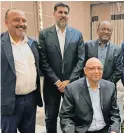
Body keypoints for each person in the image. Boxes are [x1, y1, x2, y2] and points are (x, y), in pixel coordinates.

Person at [37, 2, 85, 133]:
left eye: (66, 13)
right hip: (52, 85)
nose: (63, 15)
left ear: (69, 16)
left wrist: (69, 80)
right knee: (50, 117)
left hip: (72, 84)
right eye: (60, 12)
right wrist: (57, 81)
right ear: (54, 14)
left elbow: (81, 60)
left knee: (72, 116)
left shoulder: (77, 34)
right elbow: (43, 61)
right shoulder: (44, 34)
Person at [1, 9, 43, 133]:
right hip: (9, 102)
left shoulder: (32, 44)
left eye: (24, 20)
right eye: (16, 20)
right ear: (6, 22)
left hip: (31, 100)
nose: (21, 23)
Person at [59, 57, 121, 133]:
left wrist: (114, 130)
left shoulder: (110, 87)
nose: (96, 71)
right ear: (85, 70)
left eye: (99, 68)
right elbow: (66, 117)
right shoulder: (72, 88)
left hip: (104, 130)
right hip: (83, 131)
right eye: (92, 68)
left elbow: (114, 114)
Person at [84, 20, 122, 85]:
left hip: (108, 88)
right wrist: (88, 82)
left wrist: (106, 85)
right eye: (103, 29)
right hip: (88, 86)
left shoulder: (117, 50)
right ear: (97, 31)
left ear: (111, 32)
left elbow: (118, 71)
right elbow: (83, 65)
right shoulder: (87, 45)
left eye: (108, 30)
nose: (106, 32)